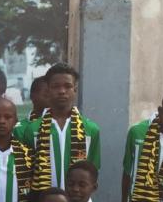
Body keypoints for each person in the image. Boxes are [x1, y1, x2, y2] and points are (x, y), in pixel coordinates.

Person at [18, 63, 101, 193]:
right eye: (56, 86)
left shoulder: (90, 129)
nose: (62, 91)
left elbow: (93, 171)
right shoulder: (33, 129)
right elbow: (27, 173)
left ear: (75, 89)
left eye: (67, 86)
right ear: (48, 90)